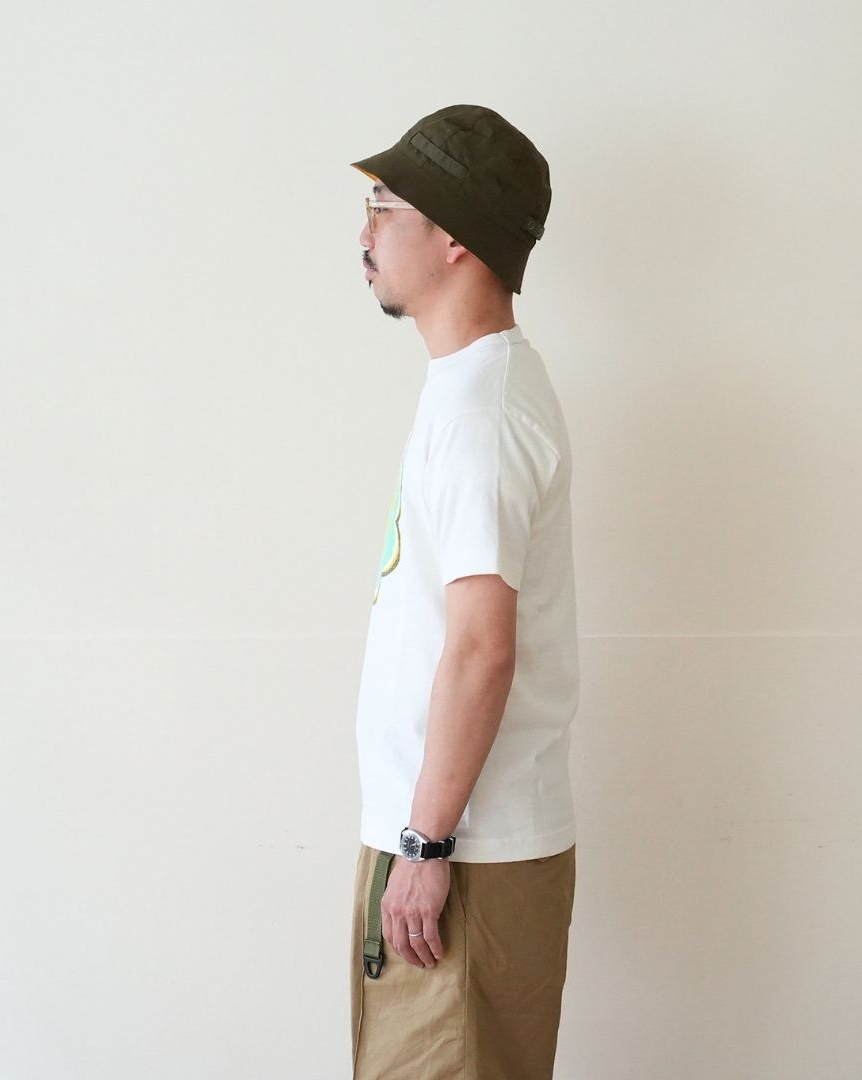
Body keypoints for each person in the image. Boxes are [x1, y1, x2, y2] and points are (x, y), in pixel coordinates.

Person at [348, 104, 579, 1080]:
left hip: (458, 855)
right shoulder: (468, 391)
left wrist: (425, 845)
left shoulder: (484, 411)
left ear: (454, 237)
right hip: (442, 845)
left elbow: (483, 648)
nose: (364, 230)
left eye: (384, 205)